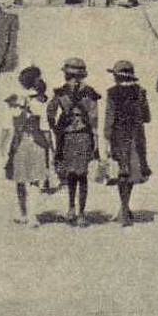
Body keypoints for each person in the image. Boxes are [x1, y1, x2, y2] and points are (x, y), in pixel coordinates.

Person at [47, 58, 100, 226]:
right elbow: (94, 117)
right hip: (84, 135)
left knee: (70, 174)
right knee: (82, 175)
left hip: (68, 136)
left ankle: (71, 208)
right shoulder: (90, 92)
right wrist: (95, 138)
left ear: (67, 74)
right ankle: (82, 213)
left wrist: (56, 129)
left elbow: (50, 112)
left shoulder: (61, 93)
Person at [0, 68, 50, 228]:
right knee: (35, 181)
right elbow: (45, 128)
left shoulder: (14, 101)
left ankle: (23, 214)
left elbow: (7, 127)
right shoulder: (41, 102)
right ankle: (33, 216)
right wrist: (52, 148)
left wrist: (2, 146)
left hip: (19, 143)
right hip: (37, 143)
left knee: (20, 181)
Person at [104, 60, 151, 227]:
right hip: (136, 136)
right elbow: (147, 117)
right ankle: (125, 207)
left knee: (121, 172)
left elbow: (109, 119)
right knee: (132, 172)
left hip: (118, 136)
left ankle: (123, 209)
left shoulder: (112, 93)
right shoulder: (140, 92)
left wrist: (106, 140)